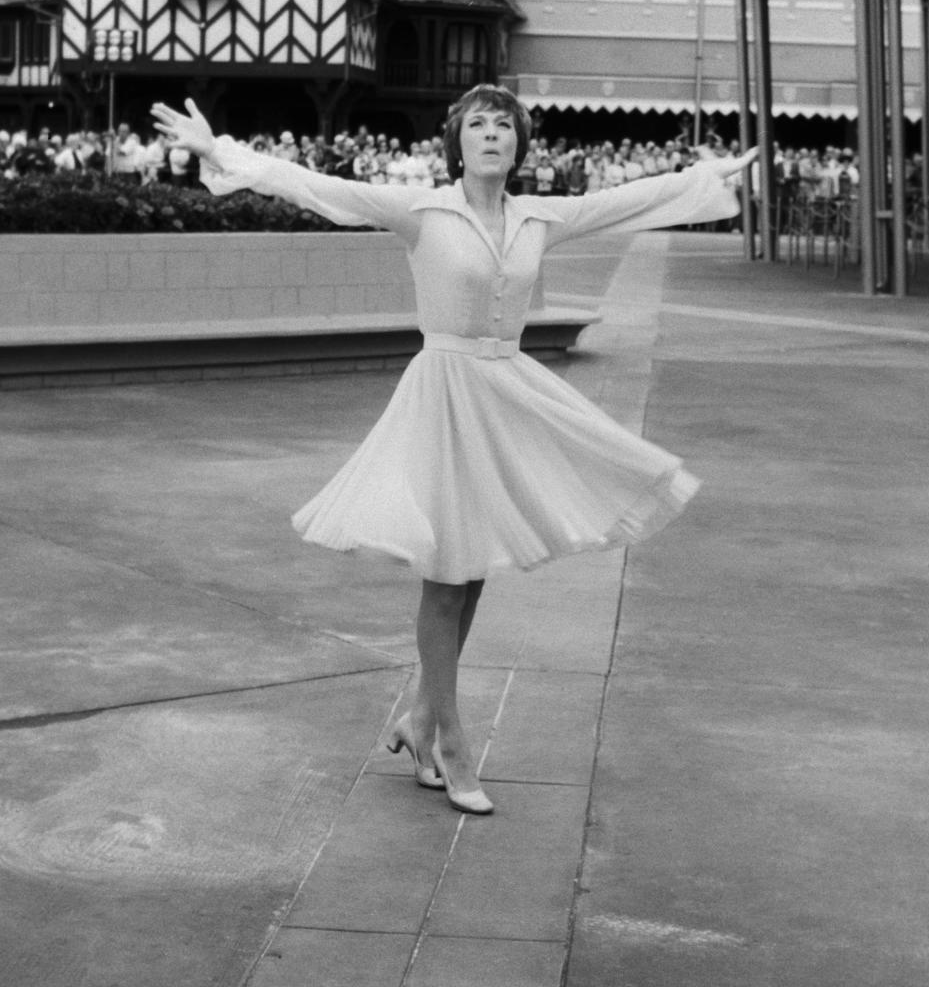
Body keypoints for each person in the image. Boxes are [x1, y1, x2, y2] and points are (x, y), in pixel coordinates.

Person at [151, 85, 756, 817]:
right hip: (442, 397)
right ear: (457, 142)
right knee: (445, 576)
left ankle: (419, 715)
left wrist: (707, 177)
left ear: (520, 144)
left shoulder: (540, 215)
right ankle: (453, 740)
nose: (493, 135)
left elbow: (626, 200)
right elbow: (320, 187)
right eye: (479, 124)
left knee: (470, 575)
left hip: (506, 395)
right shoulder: (424, 212)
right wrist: (222, 151)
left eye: (505, 125)